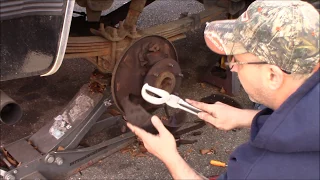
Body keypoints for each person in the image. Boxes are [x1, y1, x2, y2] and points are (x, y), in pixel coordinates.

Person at [127, 0, 320, 179]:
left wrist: (169, 156)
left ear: (273, 76)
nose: (232, 66)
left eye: (237, 59)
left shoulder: (263, 170)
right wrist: (243, 117)